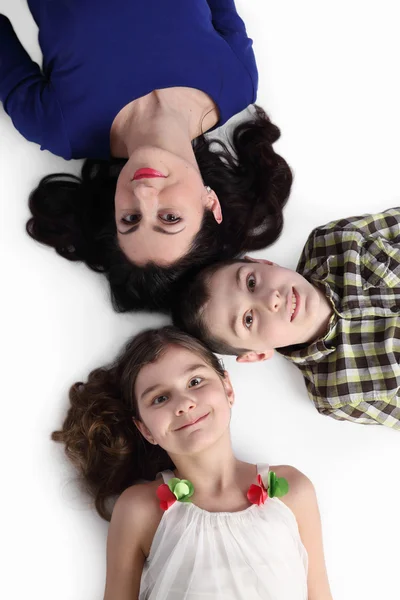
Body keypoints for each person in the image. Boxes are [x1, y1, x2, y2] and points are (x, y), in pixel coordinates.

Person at [0, 2, 292, 311]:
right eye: (169, 217)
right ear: (211, 203)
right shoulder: (238, 82)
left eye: (130, 218)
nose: (143, 194)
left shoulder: (58, 127)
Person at [53, 326, 332, 599]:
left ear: (227, 388)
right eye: (160, 398)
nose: (184, 403)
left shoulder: (293, 490)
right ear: (145, 429)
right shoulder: (139, 509)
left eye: (195, 382)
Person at [173, 208, 400, 430]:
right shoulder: (338, 393)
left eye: (251, 283)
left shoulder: (332, 242)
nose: (271, 299)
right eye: (248, 319)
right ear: (256, 354)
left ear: (263, 263)